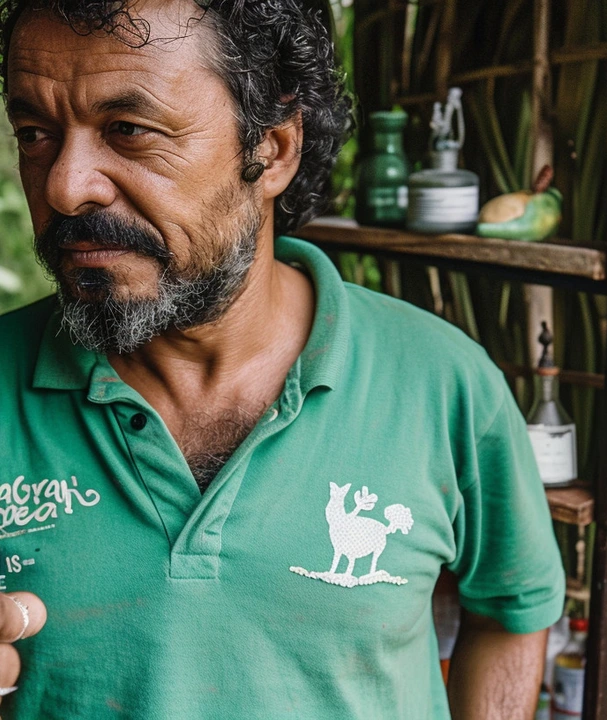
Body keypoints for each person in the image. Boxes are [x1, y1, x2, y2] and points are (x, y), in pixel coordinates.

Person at [0, 1, 564, 717]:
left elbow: (509, 612)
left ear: (272, 149)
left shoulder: (444, 383)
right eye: (35, 133)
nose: (64, 185)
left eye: (129, 130)